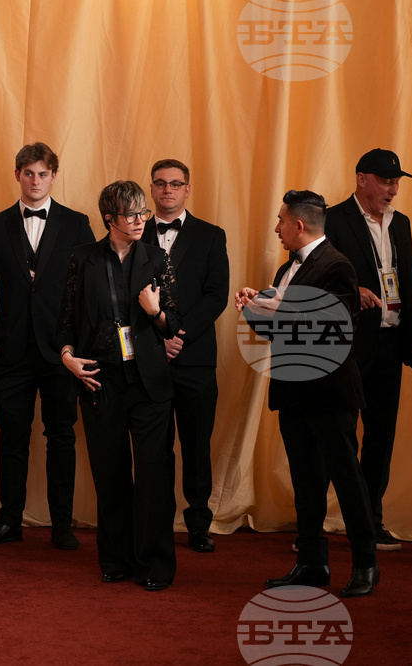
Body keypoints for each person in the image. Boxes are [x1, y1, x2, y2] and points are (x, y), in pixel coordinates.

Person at [236, 189, 378, 598]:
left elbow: (331, 329)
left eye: (280, 221)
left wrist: (277, 307)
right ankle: (313, 563)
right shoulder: (285, 271)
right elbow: (276, 332)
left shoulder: (337, 266)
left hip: (331, 394)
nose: (276, 228)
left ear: (299, 225)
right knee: (306, 480)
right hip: (294, 393)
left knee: (347, 478)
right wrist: (252, 308)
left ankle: (366, 562)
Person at [0, 142, 94, 550]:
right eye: (29, 173)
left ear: (53, 176)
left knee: (62, 437)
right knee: (12, 439)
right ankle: (9, 521)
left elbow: (89, 291)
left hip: (63, 354)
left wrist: (78, 347)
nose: (36, 181)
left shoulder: (77, 224)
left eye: (43, 174)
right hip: (11, 353)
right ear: (17, 175)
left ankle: (62, 525)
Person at [58, 180, 180, 590]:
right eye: (131, 214)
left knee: (153, 477)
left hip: (148, 384)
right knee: (109, 476)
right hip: (99, 380)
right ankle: (115, 559)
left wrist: (156, 312)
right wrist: (68, 358)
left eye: (143, 212)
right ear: (109, 219)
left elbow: (173, 324)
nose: (140, 220)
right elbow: (67, 321)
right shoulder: (83, 258)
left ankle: (156, 565)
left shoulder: (157, 257)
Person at [324, 149, 412, 551]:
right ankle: (316, 525)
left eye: (397, 182)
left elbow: (409, 281)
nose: (393, 189)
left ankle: (371, 521)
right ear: (361, 179)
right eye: (386, 181)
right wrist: (354, 291)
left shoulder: (400, 223)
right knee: (340, 435)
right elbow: (312, 277)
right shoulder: (332, 220)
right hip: (347, 346)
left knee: (381, 437)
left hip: (390, 342)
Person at [141, 159, 229, 553]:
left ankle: (198, 524)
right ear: (151, 188)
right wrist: (157, 340)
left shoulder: (211, 236)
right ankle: (155, 523)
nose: (168, 191)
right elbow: (121, 295)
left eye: (176, 184)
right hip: (147, 357)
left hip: (194, 357)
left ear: (187, 189)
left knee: (196, 446)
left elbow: (217, 295)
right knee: (154, 448)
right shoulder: (132, 232)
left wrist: (177, 335)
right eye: (160, 184)